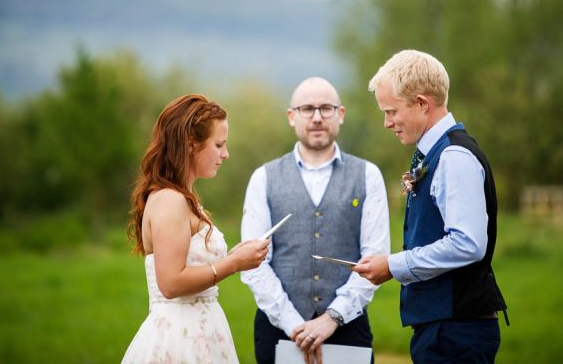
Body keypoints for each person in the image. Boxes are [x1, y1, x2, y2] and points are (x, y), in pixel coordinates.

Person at [354, 50, 508, 364]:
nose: (387, 123)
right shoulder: (436, 154)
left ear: (422, 104)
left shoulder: (454, 158)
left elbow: (468, 244)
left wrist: (394, 265)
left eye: (391, 111)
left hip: (457, 331)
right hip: (443, 327)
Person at [241, 77, 391, 364]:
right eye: (307, 109)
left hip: (348, 328)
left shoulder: (368, 175)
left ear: (341, 114)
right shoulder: (263, 178)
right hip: (278, 330)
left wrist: (333, 318)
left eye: (326, 108)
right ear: (291, 116)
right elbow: (254, 264)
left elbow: (374, 257)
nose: (317, 117)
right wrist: (294, 325)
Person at [122, 94, 270, 364]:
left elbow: (191, 262)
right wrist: (234, 264)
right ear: (191, 145)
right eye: (219, 145)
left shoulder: (183, 198)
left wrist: (233, 256)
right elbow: (170, 283)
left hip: (202, 331)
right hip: (180, 340)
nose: (226, 154)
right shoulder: (170, 200)